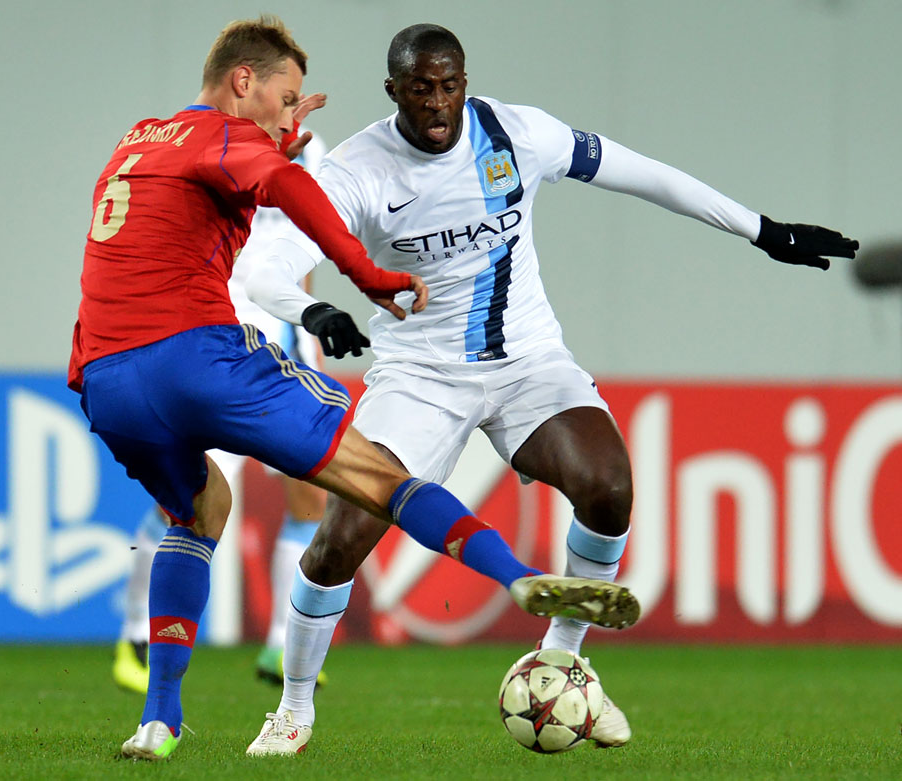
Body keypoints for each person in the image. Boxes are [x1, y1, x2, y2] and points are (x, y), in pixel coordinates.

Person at [244, 23, 860, 754]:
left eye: (449, 85)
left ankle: (563, 663)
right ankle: (292, 707)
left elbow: (641, 172)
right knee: (339, 542)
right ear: (394, 92)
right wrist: (309, 309)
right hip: (419, 377)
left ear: (464, 82)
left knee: (609, 486)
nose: (437, 104)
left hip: (528, 360)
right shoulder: (357, 170)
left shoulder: (517, 135)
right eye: (420, 89)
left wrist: (761, 229)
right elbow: (264, 267)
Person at [68, 16, 639, 762]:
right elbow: (283, 185)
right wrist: (362, 275)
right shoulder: (235, 139)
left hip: (103, 372)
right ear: (244, 81)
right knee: (375, 471)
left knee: (199, 507)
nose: (291, 110)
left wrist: (272, 138)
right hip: (199, 356)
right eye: (286, 95)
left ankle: (160, 718)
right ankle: (522, 577)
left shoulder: (141, 137)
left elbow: (212, 192)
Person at [110, 124, 332, 694]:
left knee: (310, 496)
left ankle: (283, 643)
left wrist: (306, 338)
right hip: (220, 348)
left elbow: (303, 252)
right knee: (186, 501)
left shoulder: (309, 147)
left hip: (284, 348)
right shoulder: (210, 144)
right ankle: (136, 633)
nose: (285, 101)